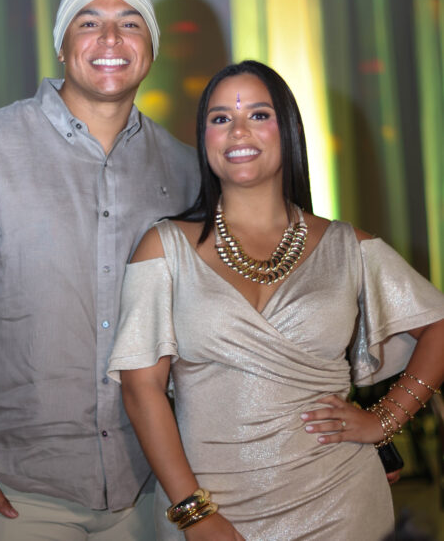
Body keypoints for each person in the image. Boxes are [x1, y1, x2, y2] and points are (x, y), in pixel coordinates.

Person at [0, 0, 199, 540]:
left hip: (149, 487)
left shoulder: (186, 171)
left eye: (129, 23)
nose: (110, 39)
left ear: (152, 47)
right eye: (89, 23)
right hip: (16, 493)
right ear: (62, 44)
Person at [107, 60, 444, 540]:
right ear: (204, 138)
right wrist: (194, 513)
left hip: (342, 502)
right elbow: (141, 390)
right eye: (221, 118)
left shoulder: (348, 246)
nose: (238, 130)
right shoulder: (163, 248)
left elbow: (438, 326)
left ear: (287, 130)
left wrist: (384, 420)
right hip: (211, 508)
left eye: (259, 115)